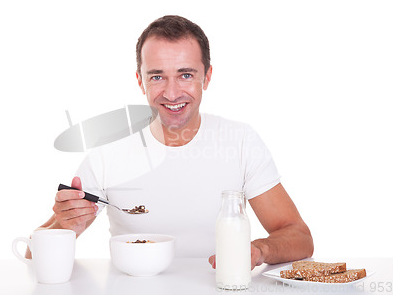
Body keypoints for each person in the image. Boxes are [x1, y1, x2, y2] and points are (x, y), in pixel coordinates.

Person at [30, 15, 314, 269]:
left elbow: (299, 236)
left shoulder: (239, 141)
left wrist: (257, 250)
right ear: (141, 81)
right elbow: (32, 255)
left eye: (185, 75)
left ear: (207, 76)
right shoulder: (108, 151)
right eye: (157, 77)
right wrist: (63, 226)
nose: (172, 92)